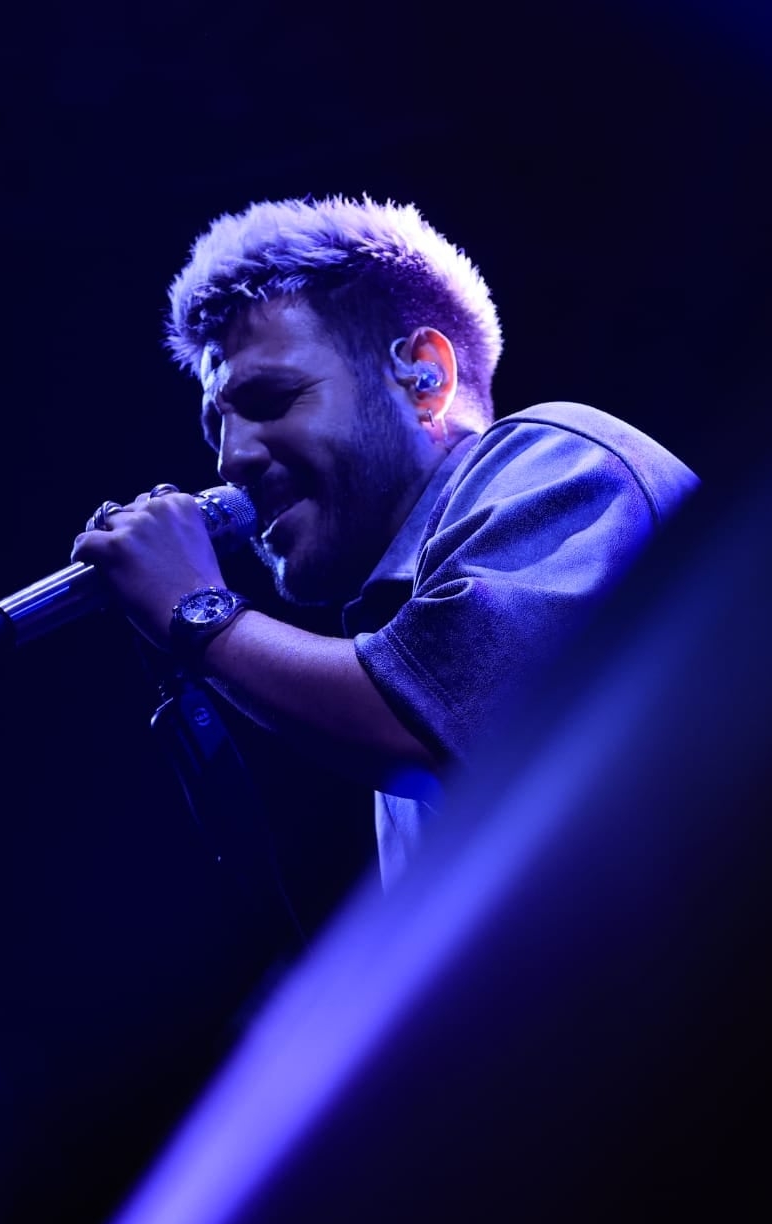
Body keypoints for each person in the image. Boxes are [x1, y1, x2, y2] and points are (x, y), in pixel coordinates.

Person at [71, 196, 700, 886]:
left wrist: (196, 608)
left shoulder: (561, 458)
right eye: (215, 429)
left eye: (271, 400)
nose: (231, 460)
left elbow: (430, 720)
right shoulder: (397, 650)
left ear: (423, 375)